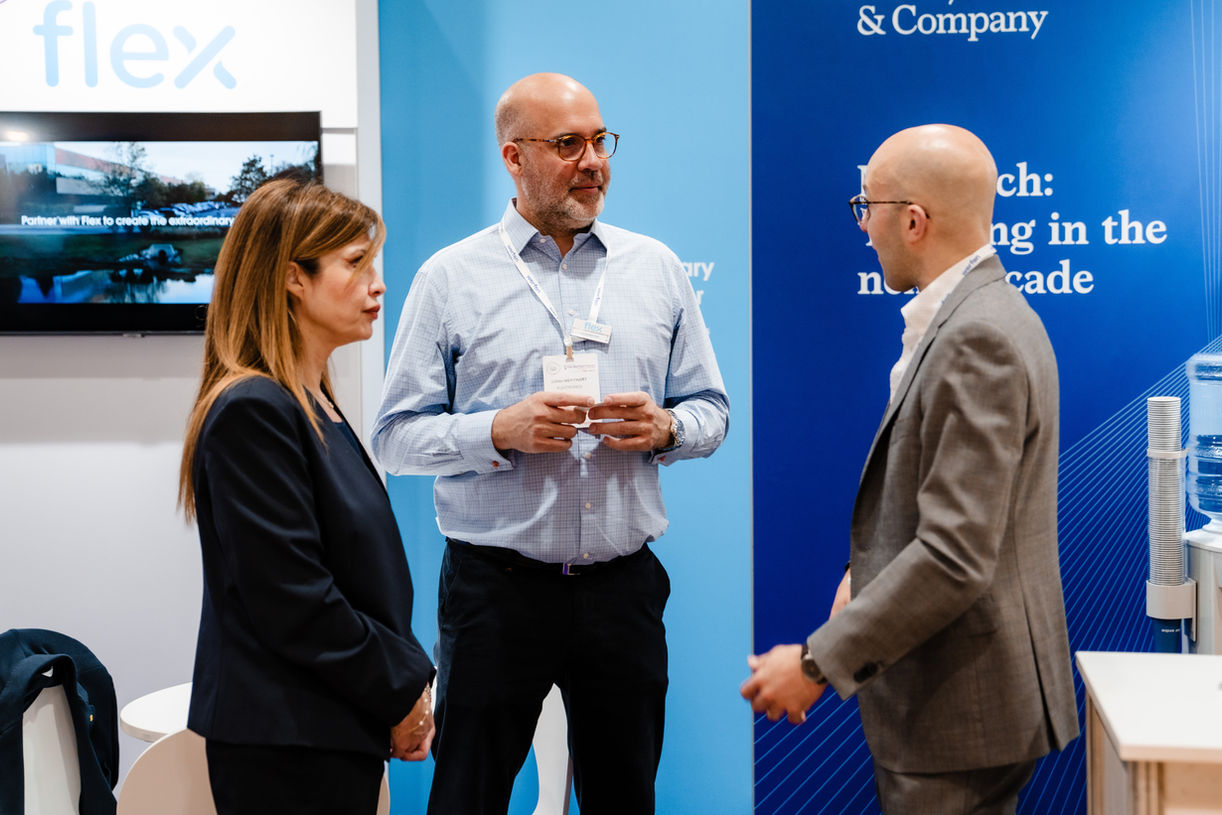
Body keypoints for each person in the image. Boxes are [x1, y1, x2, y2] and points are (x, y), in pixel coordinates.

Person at [372, 72, 729, 814]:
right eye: (568, 144)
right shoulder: (449, 278)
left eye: (602, 141)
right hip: (496, 591)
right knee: (468, 795)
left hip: (621, 589)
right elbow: (394, 439)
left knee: (624, 796)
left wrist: (666, 428)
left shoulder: (655, 268)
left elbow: (712, 410)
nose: (594, 160)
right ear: (514, 157)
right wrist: (494, 431)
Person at [740, 124, 1078, 814]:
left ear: (914, 221)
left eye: (867, 207)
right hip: (968, 702)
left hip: (958, 707)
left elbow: (956, 555)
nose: (863, 228)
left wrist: (815, 663)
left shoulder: (976, 336)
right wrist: (863, 575)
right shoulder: (987, 315)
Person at [178, 177, 435, 815]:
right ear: (294, 278)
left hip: (322, 726)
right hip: (286, 740)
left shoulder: (309, 400)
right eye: (356, 265)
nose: (378, 285)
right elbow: (293, 598)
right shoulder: (255, 407)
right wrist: (400, 688)